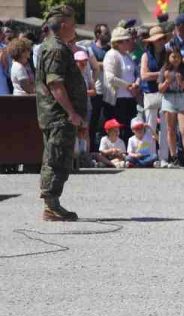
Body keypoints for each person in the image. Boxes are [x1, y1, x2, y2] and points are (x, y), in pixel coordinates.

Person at [35, 5, 88, 221]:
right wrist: (72, 113)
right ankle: (51, 205)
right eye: (73, 24)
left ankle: (52, 203)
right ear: (64, 24)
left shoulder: (59, 46)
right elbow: (56, 84)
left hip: (59, 116)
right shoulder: (55, 48)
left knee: (57, 157)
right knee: (56, 158)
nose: (75, 28)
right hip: (59, 116)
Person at [159, 43, 184, 168]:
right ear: (168, 57)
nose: (176, 59)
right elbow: (160, 89)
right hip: (168, 98)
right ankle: (173, 157)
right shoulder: (164, 69)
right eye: (173, 57)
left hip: (182, 97)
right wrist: (167, 81)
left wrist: (182, 83)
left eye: (178, 57)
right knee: (170, 129)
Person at [104, 27, 140, 143]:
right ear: (118, 43)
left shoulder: (128, 55)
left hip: (130, 98)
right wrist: (128, 86)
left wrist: (136, 84)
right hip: (118, 99)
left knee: (130, 128)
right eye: (127, 40)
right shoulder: (111, 55)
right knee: (120, 128)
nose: (129, 42)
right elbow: (110, 78)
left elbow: (136, 73)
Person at [140, 25, 169, 166]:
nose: (161, 41)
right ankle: (150, 157)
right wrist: (161, 74)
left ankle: (164, 157)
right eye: (158, 39)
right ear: (152, 41)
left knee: (165, 127)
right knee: (150, 127)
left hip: (165, 93)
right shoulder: (145, 56)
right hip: (150, 94)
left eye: (163, 38)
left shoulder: (168, 53)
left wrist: (159, 75)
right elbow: (143, 76)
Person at [87, 23, 110, 149]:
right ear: (97, 34)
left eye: (108, 33)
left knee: (106, 119)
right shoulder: (91, 49)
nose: (107, 35)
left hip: (109, 90)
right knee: (94, 119)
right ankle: (91, 147)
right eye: (105, 33)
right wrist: (107, 64)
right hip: (97, 88)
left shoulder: (110, 49)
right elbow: (93, 65)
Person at [74, 50, 96, 124]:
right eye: (81, 62)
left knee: (86, 129)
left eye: (85, 61)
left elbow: (94, 91)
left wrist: (82, 93)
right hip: (75, 109)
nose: (84, 64)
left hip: (87, 107)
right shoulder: (70, 77)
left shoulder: (87, 75)